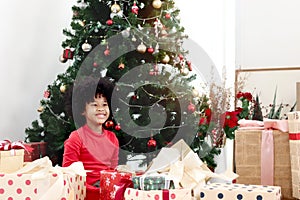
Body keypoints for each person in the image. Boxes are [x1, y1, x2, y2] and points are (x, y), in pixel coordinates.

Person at [62, 76, 119, 200]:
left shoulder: (112, 138)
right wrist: (95, 190)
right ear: (83, 110)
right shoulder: (76, 138)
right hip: (84, 194)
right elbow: (69, 174)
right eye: (94, 104)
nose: (101, 109)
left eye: (104, 104)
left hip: (107, 193)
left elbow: (112, 171)